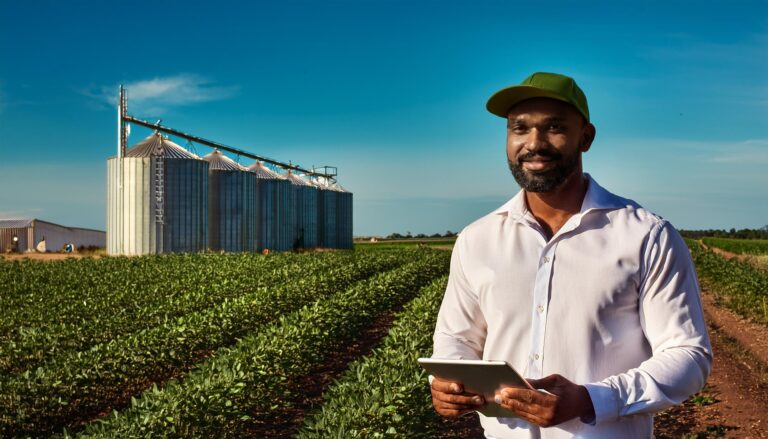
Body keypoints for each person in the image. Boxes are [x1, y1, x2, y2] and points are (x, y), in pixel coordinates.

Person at [429, 72, 711, 438]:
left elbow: (688, 356)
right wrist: (447, 384)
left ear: (586, 137)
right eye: (520, 129)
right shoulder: (476, 240)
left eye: (554, 128)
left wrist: (591, 400)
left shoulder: (646, 236)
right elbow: (457, 340)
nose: (534, 143)